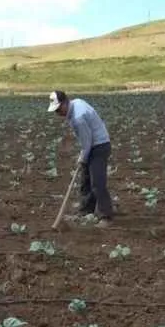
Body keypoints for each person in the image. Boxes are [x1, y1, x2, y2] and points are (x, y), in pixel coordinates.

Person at [47, 90, 114, 227]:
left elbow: (87, 141)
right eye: (56, 111)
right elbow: (86, 141)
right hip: (93, 145)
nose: (58, 113)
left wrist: (83, 157)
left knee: (97, 183)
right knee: (86, 180)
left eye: (59, 109)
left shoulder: (78, 117)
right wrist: (83, 156)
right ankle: (85, 211)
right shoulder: (76, 103)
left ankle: (105, 216)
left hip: (99, 146)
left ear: (65, 102)